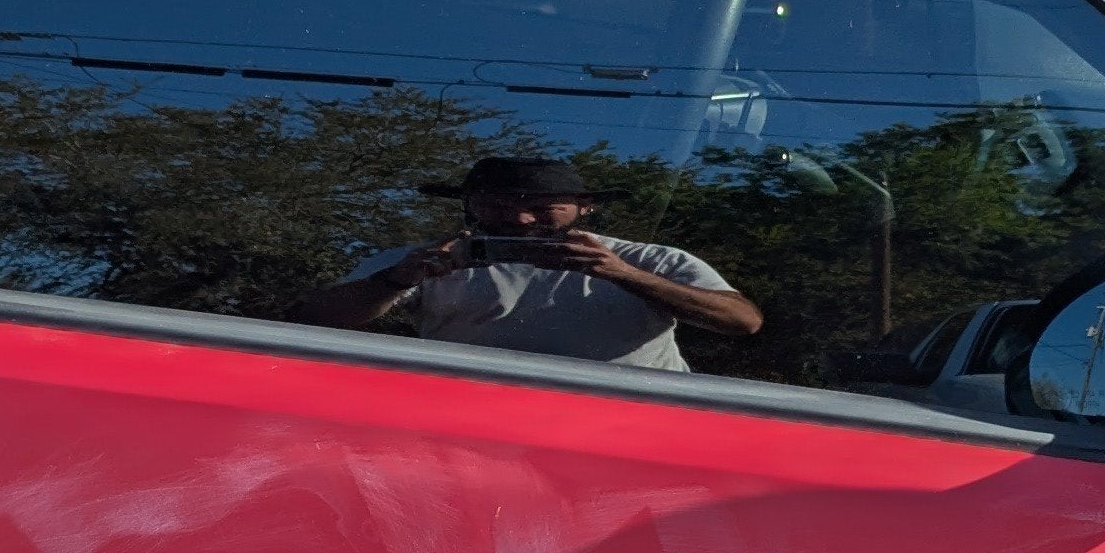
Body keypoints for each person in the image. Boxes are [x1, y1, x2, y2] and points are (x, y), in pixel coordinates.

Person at [303, 154, 763, 370]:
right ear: (470, 206)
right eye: (498, 206)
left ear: (585, 208)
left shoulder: (646, 259)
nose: (521, 219)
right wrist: (395, 280)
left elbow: (742, 321)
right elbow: (310, 321)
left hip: (633, 422)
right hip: (474, 422)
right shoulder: (430, 259)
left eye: (544, 208)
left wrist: (623, 275)